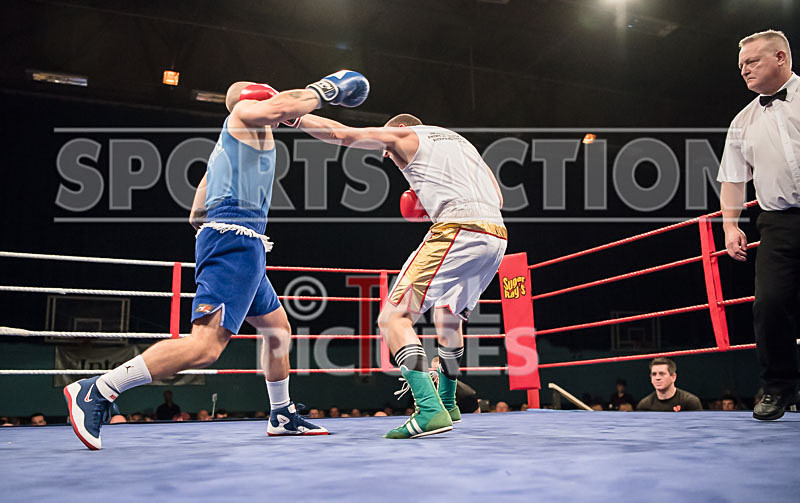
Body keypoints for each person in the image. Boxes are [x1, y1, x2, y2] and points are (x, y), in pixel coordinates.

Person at [62, 70, 370, 449]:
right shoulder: (243, 116)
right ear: (257, 103)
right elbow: (291, 104)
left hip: (242, 240)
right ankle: (99, 389)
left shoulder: (229, 145)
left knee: (276, 329)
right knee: (206, 346)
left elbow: (195, 214)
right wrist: (328, 88)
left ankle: (282, 413)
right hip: (235, 237)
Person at [298, 113, 506, 438]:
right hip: (496, 237)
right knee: (448, 316)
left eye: (386, 148)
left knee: (392, 318)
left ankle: (428, 410)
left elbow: (343, 134)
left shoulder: (405, 136)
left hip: (458, 228)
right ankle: (448, 403)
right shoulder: (459, 142)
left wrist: (294, 115)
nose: (387, 155)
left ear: (396, 130)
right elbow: (498, 197)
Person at [718, 29, 800, 421]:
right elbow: (733, 180)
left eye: (752, 61)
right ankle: (777, 389)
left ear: (781, 58)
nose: (744, 70)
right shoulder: (743, 120)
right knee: (769, 303)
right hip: (778, 222)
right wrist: (730, 226)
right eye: (740, 66)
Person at [636, 358, 702, 412]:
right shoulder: (644, 405)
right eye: (654, 374)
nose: (657, 378)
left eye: (662, 374)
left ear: (673, 377)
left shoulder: (690, 401)